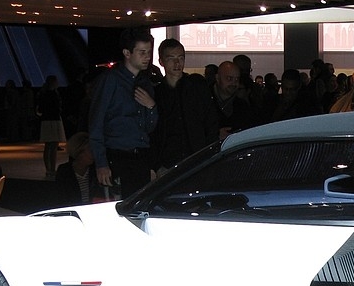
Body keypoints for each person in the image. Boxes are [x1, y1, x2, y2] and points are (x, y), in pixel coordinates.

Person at [88, 28, 158, 199]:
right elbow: (96, 123)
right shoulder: (110, 80)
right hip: (118, 155)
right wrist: (101, 163)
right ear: (127, 53)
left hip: (140, 156)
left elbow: (149, 128)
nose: (147, 57)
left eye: (149, 52)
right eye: (142, 52)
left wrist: (151, 107)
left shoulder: (144, 82)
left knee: (138, 204)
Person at [151, 38, 218, 173]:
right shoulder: (156, 93)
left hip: (196, 158)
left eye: (181, 58)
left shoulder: (197, 87)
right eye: (171, 58)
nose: (177, 63)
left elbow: (211, 122)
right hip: (168, 161)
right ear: (161, 62)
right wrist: (157, 165)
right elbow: (153, 132)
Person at [54, 131, 104, 205]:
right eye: (90, 151)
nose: (94, 154)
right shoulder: (65, 171)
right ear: (79, 152)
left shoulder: (95, 170)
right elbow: (61, 197)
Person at [211, 61, 258, 138]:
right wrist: (215, 135)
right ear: (217, 78)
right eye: (229, 78)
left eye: (237, 79)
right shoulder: (203, 101)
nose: (234, 83)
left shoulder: (243, 107)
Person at [37, 74, 66, 178]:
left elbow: (40, 109)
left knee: (49, 146)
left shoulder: (43, 93)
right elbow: (57, 107)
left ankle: (49, 169)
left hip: (47, 120)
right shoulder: (53, 94)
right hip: (53, 120)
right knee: (52, 146)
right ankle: (52, 169)